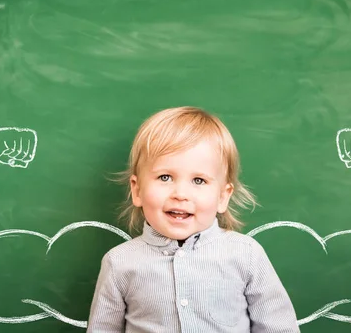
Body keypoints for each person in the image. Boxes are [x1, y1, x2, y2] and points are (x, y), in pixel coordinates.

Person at [87, 106, 300, 332]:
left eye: (198, 181)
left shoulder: (246, 255)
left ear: (222, 196)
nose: (180, 194)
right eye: (165, 177)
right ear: (137, 190)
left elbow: (279, 327)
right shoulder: (119, 263)